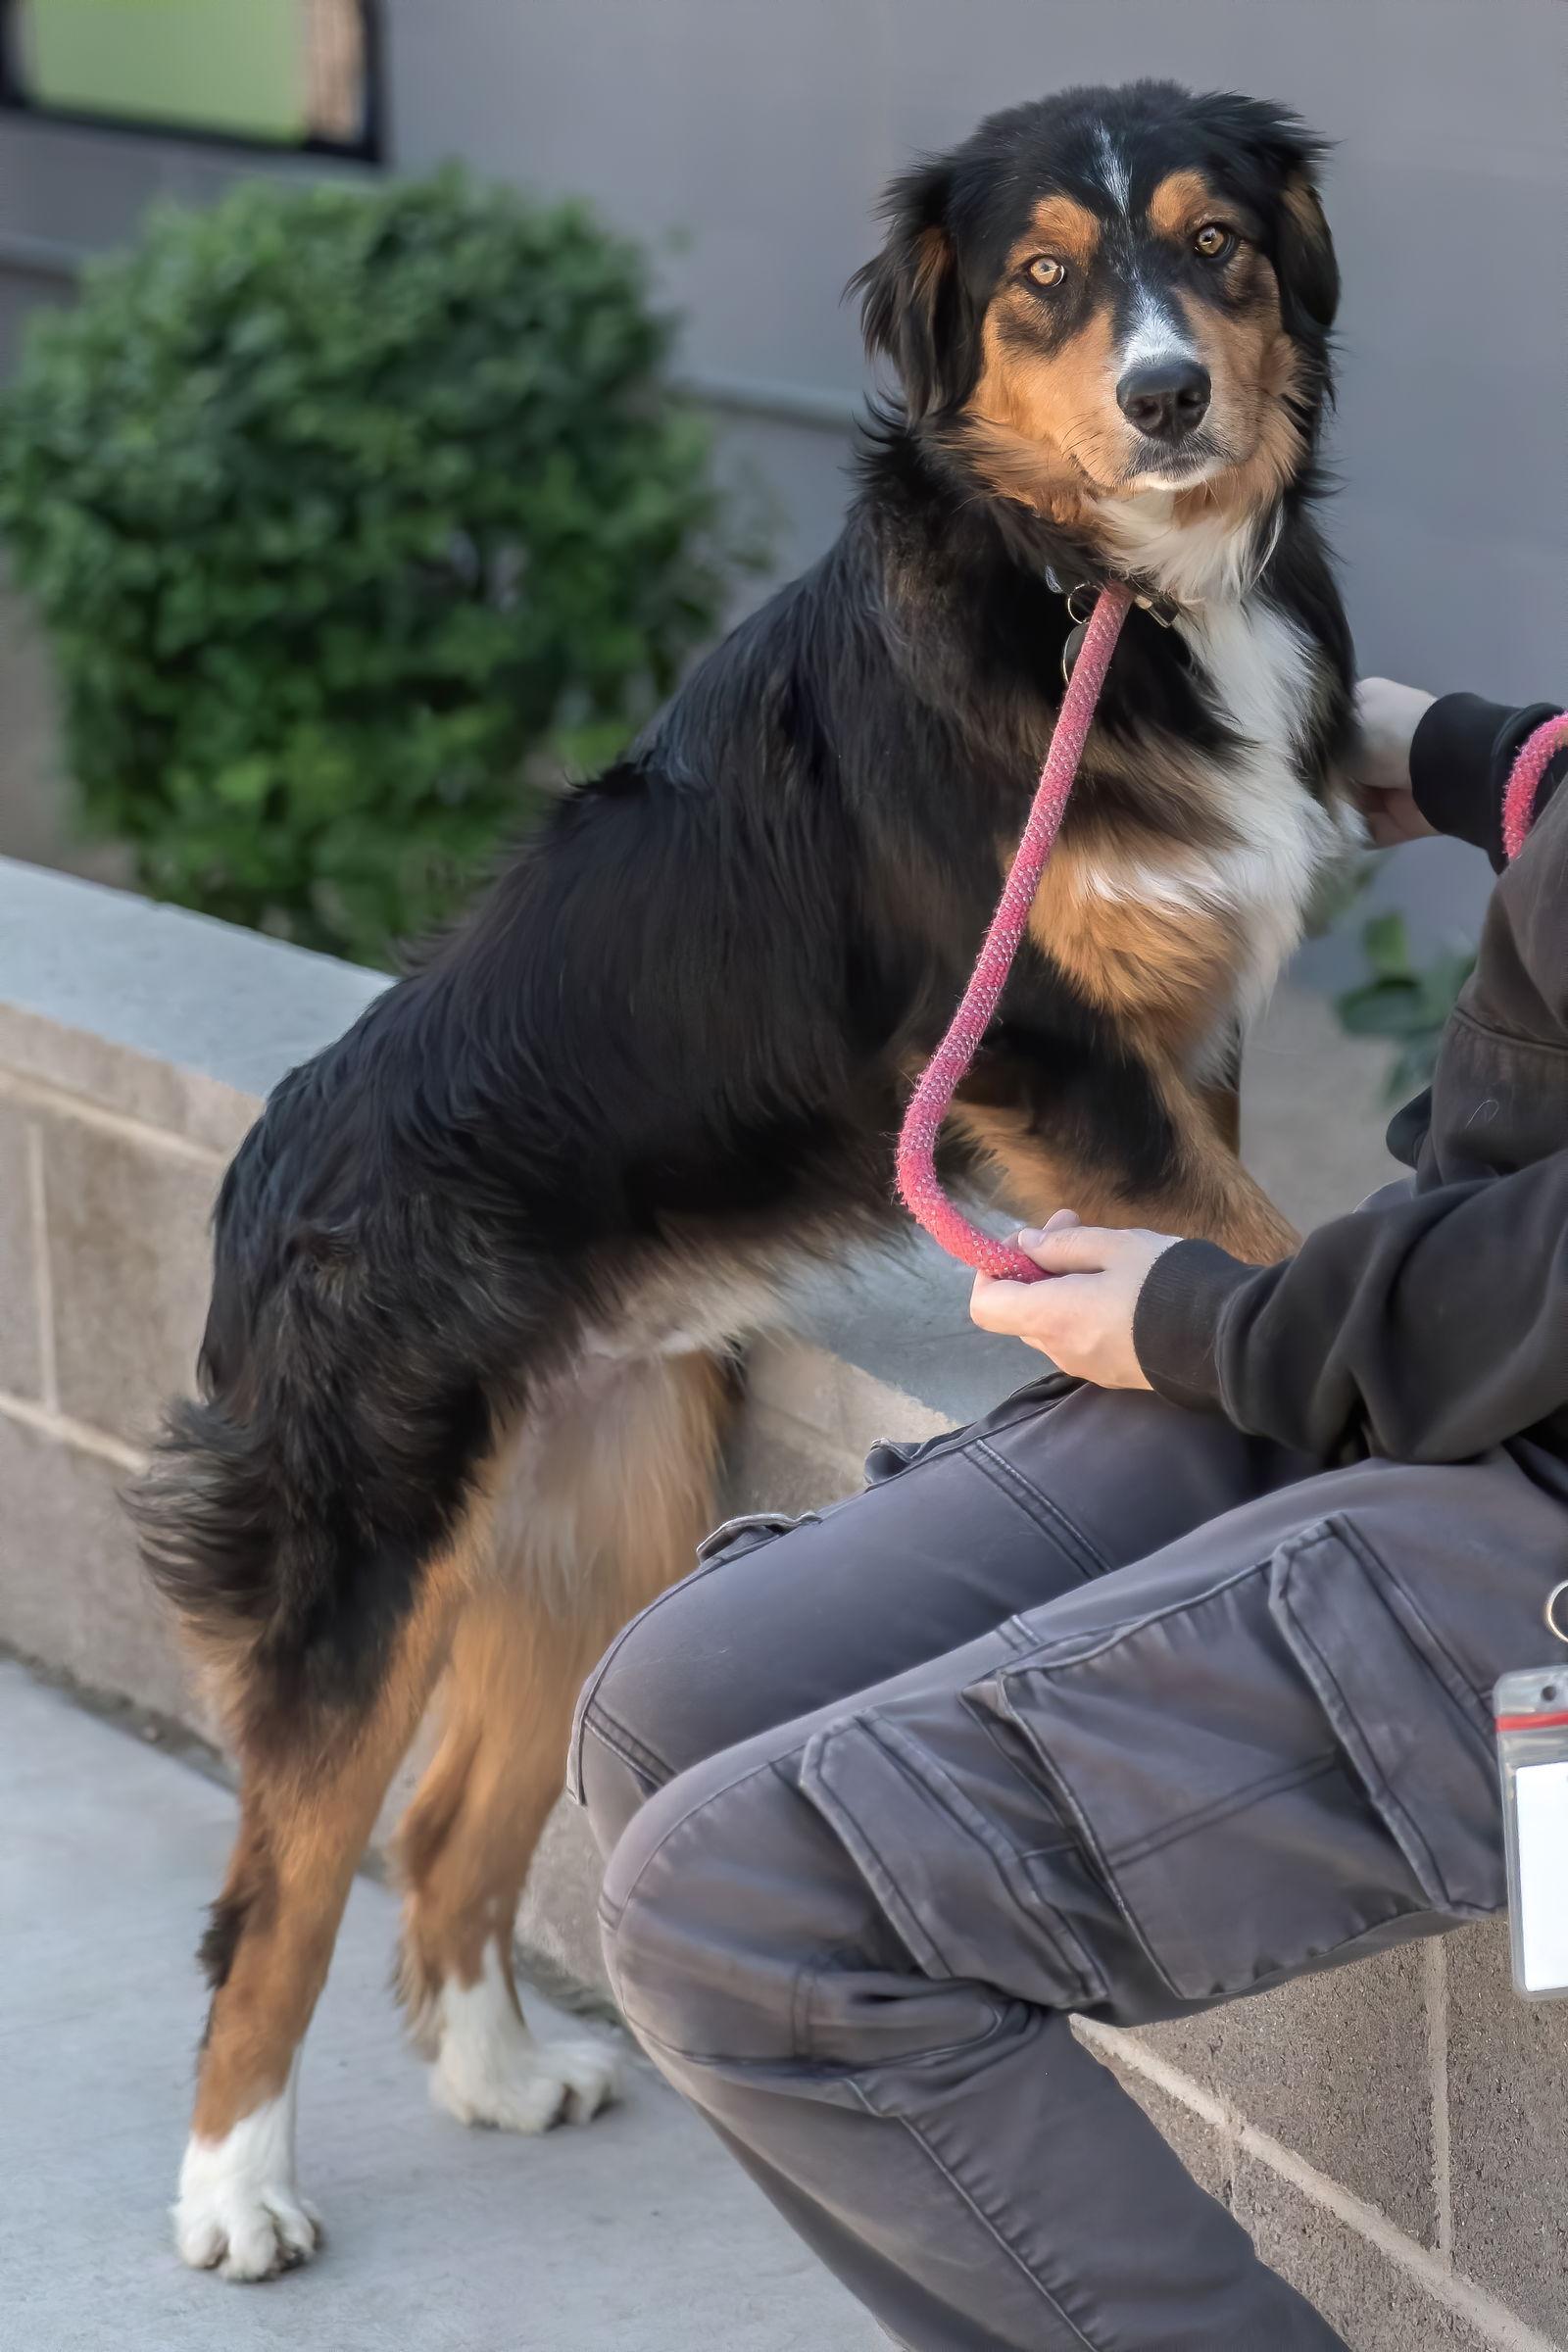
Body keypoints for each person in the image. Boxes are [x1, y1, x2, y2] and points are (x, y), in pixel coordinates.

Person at [570, 680, 1568, 2350]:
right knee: (683, 1711)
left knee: (752, 1919)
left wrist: (1219, 1327)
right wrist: (1508, 765)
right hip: (1460, 1355)